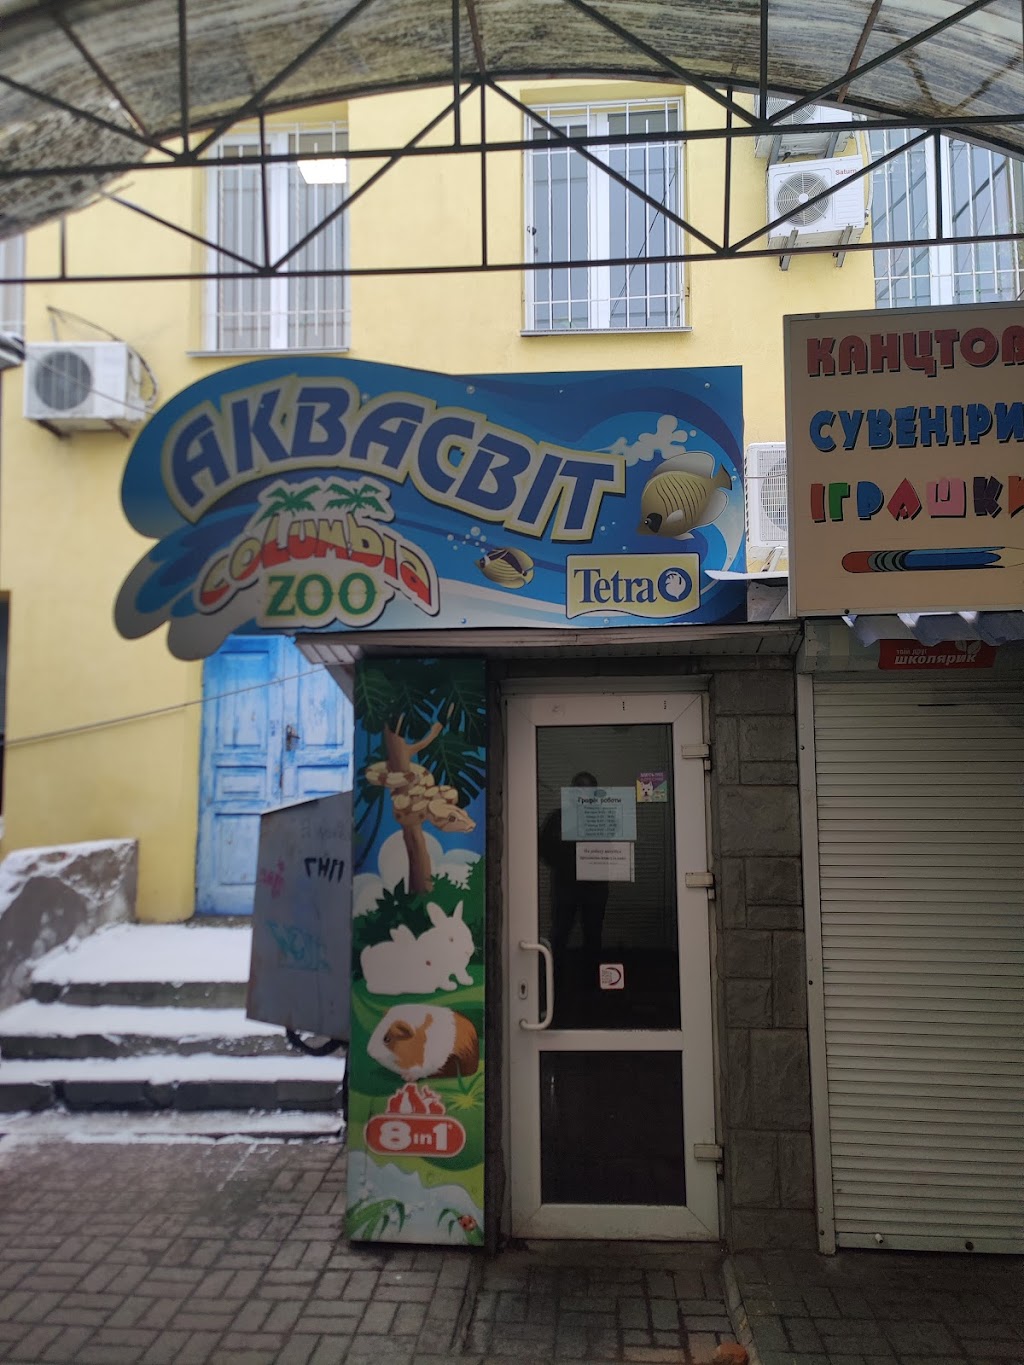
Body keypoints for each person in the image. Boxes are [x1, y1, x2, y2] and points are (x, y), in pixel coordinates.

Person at [538, 770, 609, 955]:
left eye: (588, 791)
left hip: (595, 886)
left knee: (593, 934)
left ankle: (591, 973)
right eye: (579, 790)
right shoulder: (557, 818)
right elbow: (544, 848)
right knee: (560, 933)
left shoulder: (603, 817)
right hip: (566, 885)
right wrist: (565, 863)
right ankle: (556, 973)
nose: (583, 795)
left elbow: (615, 850)